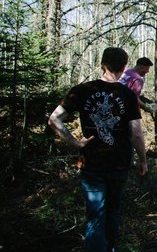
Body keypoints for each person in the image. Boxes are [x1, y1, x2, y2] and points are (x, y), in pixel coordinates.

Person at [48, 47, 148, 252]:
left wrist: (74, 142)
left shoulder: (82, 90)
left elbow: (54, 119)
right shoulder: (128, 95)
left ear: (102, 64)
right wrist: (143, 160)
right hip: (119, 164)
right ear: (124, 67)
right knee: (112, 212)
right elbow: (137, 134)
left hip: (91, 163)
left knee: (95, 217)